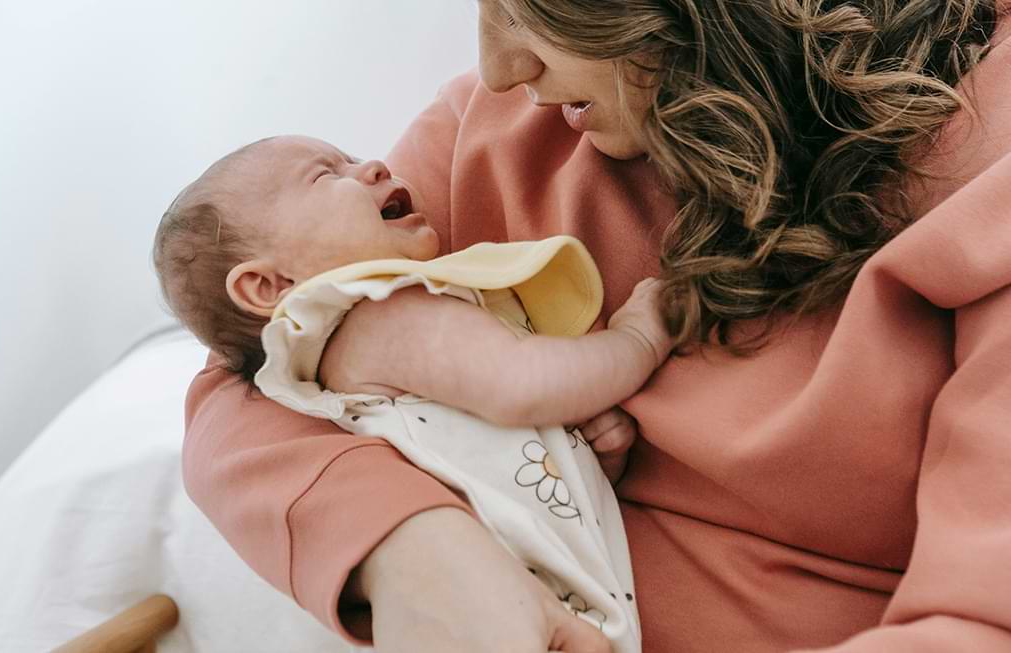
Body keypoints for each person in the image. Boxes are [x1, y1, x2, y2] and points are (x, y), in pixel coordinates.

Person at [181, 0, 1011, 651]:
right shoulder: (504, 129)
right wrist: (415, 551)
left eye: (531, 6)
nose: (498, 67)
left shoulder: (986, 155)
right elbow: (247, 371)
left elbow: (980, 622)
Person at [154, 134, 675, 651]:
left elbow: (495, 463)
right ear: (269, 287)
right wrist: (637, 340)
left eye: (353, 157)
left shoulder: (372, 346)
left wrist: (583, 453)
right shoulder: (381, 313)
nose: (376, 165)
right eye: (325, 175)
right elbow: (526, 385)